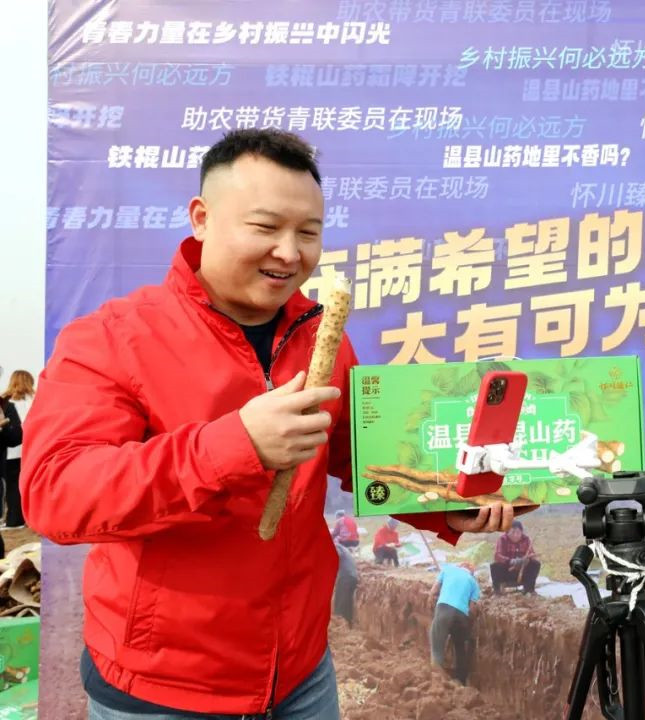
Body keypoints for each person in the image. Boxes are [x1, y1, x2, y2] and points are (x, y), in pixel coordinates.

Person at [20, 129, 525, 719]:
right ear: (201, 218)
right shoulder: (112, 338)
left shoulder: (321, 337)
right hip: (163, 688)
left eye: (308, 233)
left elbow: (357, 456)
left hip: (301, 676)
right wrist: (234, 445)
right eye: (266, 227)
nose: (289, 253)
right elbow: (55, 492)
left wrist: (446, 506)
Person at [429, 561, 481, 685]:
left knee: (437, 645)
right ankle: (460, 680)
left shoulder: (448, 569)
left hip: (444, 609)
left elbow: (434, 591)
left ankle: (437, 678)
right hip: (462, 615)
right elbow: (472, 609)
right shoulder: (474, 583)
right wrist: (469, 624)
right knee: (460, 647)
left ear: (460, 566)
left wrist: (431, 602)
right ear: (471, 573)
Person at [1, 370, 33, 529]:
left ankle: (14, 519)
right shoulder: (34, 400)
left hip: (11, 450)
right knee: (25, 485)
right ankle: (23, 517)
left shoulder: (5, 401)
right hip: (30, 448)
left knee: (11, 486)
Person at [490, 520, 541, 594]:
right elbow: (497, 556)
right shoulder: (502, 539)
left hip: (522, 571)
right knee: (495, 565)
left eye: (518, 532)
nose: (515, 535)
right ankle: (497, 591)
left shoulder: (526, 539)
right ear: (508, 532)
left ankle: (529, 589)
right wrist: (511, 561)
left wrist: (526, 559)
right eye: (512, 532)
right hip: (507, 571)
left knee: (535, 564)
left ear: (521, 532)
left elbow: (531, 553)